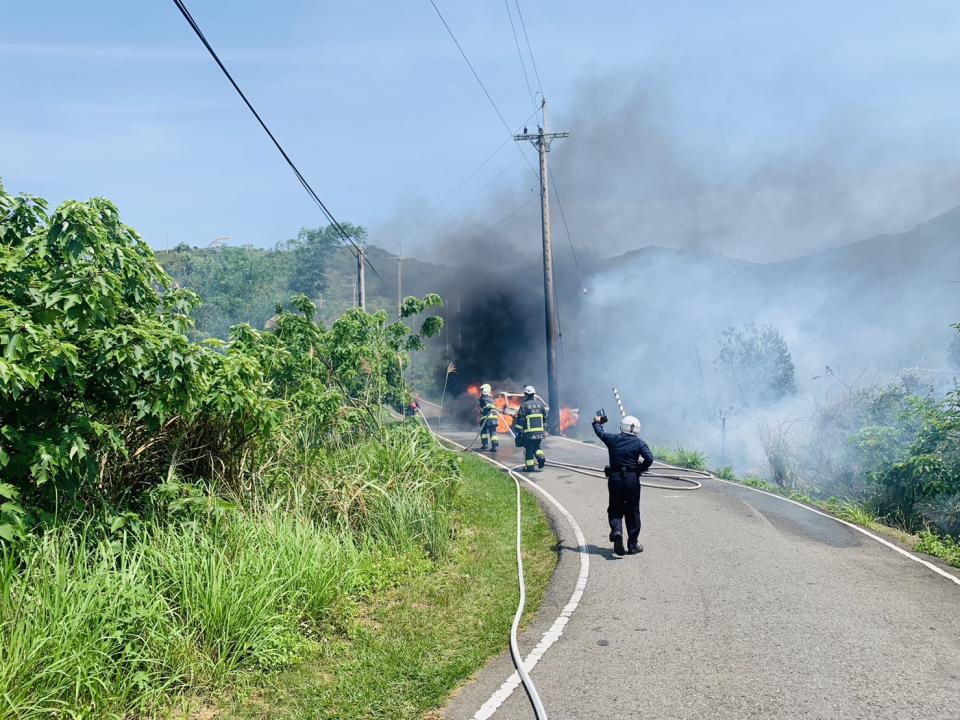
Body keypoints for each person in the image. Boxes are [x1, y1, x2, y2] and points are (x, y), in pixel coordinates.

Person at [592, 413, 654, 556]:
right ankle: (633, 545)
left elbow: (600, 432)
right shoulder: (639, 443)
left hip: (615, 479)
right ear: (637, 429)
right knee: (633, 511)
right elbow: (649, 458)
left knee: (615, 508)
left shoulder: (613, 439)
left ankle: (617, 531)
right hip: (632, 480)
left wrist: (597, 422)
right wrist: (640, 469)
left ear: (622, 427)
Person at [514, 385, 548, 471]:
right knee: (536, 446)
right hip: (540, 433)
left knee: (529, 450)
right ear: (533, 394)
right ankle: (541, 457)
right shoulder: (540, 405)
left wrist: (517, 431)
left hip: (529, 434)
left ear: (526, 395)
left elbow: (520, 419)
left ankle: (530, 467)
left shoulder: (524, 406)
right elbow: (544, 418)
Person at [478, 383, 499, 452]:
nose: (480, 392)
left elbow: (488, 406)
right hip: (493, 418)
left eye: (482, 390)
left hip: (486, 419)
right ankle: (494, 446)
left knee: (483, 432)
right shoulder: (491, 399)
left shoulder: (484, 398)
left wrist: (487, 406)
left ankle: (485, 445)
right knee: (493, 432)